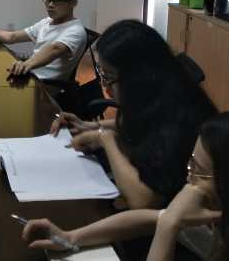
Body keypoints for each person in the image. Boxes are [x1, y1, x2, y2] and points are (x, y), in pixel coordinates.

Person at [20, 110, 229, 261]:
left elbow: (162, 220)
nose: (189, 178)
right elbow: (148, 218)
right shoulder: (224, 215)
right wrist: (71, 237)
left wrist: (168, 226)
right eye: (190, 163)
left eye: (198, 170)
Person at [50, 20, 217, 210]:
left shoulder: (179, 116)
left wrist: (106, 139)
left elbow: (143, 200)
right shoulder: (159, 93)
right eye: (102, 74)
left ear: (138, 78)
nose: (105, 87)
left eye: (108, 77)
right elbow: (140, 122)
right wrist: (90, 126)